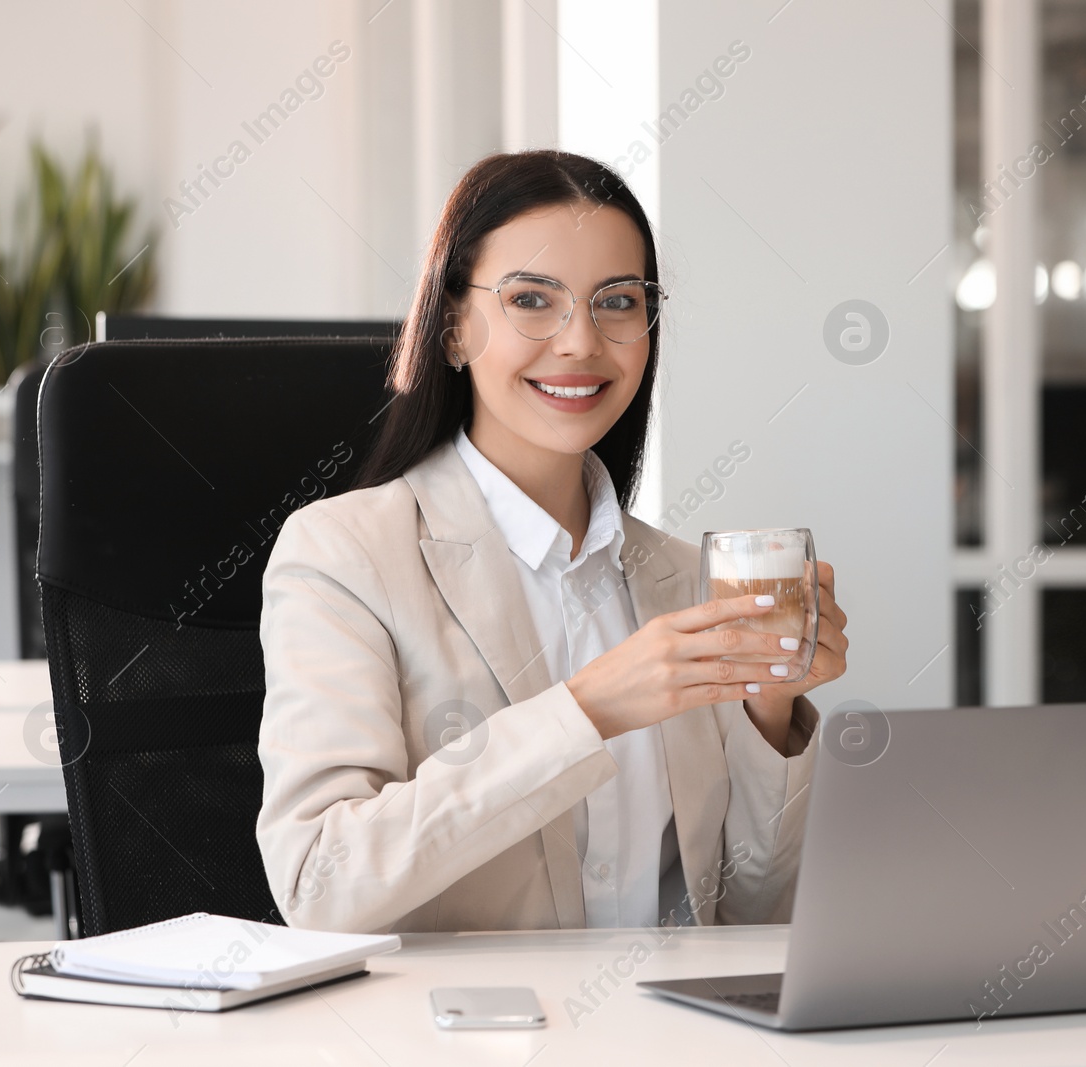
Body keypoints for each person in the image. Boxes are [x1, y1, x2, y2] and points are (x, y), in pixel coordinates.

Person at [256, 149, 849, 935]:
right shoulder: (344, 554)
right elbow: (321, 885)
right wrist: (586, 709)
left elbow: (747, 917)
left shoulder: (681, 577)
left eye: (617, 301)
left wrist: (769, 709)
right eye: (532, 299)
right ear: (454, 329)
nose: (580, 342)